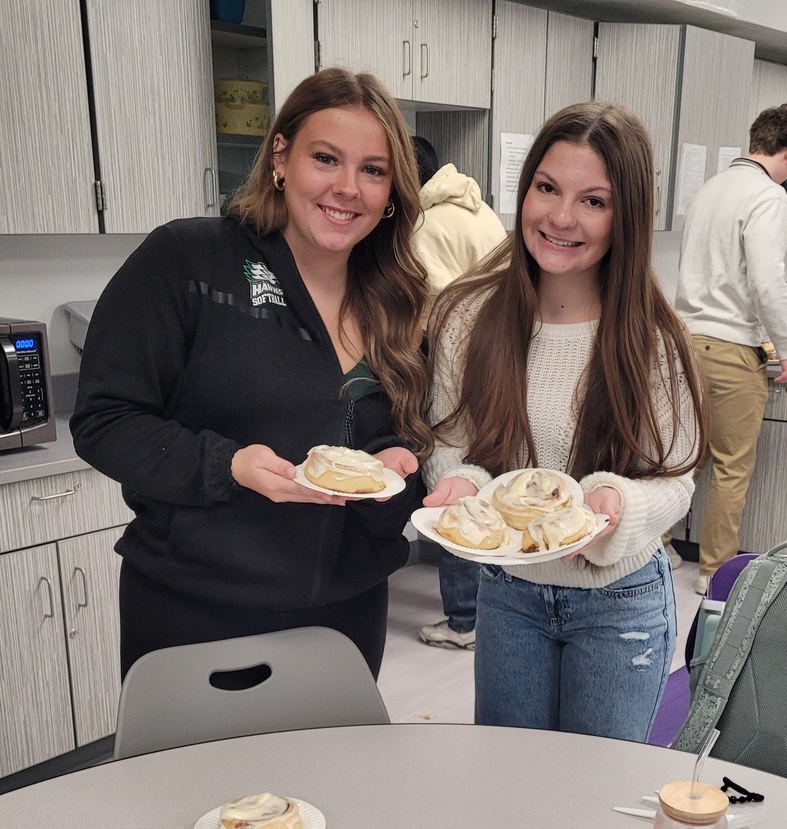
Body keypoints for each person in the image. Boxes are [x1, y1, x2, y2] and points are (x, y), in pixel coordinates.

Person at [70, 67, 432, 680]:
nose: (348, 188)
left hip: (348, 614)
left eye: (373, 169)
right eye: (326, 158)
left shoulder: (397, 299)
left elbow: (401, 440)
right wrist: (228, 465)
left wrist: (398, 469)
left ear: (393, 189)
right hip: (198, 612)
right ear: (281, 156)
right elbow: (105, 421)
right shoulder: (189, 261)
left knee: (337, 751)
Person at [422, 101, 707, 739]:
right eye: (547, 188)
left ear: (626, 217)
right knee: (511, 779)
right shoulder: (467, 317)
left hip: (620, 600)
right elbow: (449, 443)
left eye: (593, 201)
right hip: (508, 590)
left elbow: (676, 481)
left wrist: (617, 503)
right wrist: (462, 485)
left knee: (597, 785)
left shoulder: (655, 340)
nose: (560, 218)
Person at [674, 104, 787, 596]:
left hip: (684, 343)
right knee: (731, 466)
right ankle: (715, 572)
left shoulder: (710, 189)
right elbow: (766, 280)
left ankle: (660, 549)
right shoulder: (769, 196)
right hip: (732, 347)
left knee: (682, 457)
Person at [409, 135, 508, 651]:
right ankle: (487, 609)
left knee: (450, 481)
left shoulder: (424, 225)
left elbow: (434, 310)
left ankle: (464, 620)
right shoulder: (475, 207)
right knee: (482, 480)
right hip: (499, 358)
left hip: (457, 365)